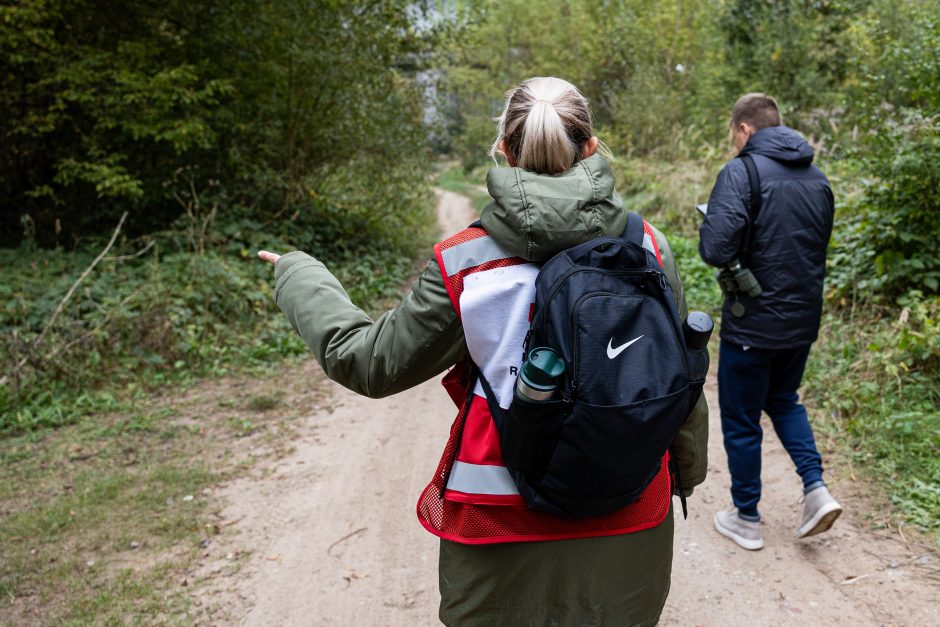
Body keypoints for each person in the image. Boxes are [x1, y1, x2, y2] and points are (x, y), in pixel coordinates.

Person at [259, 76, 708, 626]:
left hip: (497, 521)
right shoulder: (648, 247)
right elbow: (681, 379)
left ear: (503, 150)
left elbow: (369, 362)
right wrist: (687, 474)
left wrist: (298, 274)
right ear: (591, 148)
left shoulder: (464, 260)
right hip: (630, 511)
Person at [699, 93, 840, 551]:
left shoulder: (742, 173)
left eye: (732, 132)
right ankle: (815, 489)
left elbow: (716, 250)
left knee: (741, 419)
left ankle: (745, 517)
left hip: (753, 324)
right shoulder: (818, 180)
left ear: (744, 129)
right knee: (784, 400)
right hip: (801, 323)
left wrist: (713, 225)